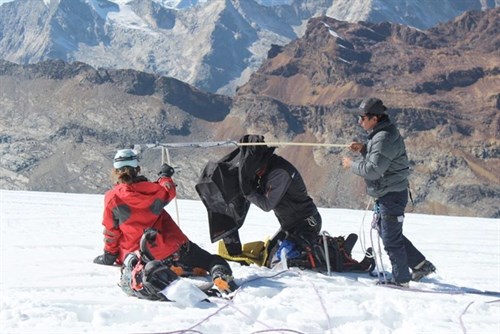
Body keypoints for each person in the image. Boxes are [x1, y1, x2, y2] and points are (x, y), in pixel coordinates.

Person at [93, 148, 237, 300]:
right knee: (213, 261)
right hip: (175, 249)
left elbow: (111, 232)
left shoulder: (113, 198)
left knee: (146, 268)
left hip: (141, 256)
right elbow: (168, 190)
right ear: (138, 169)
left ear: (116, 172)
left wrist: (109, 255)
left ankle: (165, 274)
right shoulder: (155, 190)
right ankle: (219, 275)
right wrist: (164, 176)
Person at [342, 97, 436, 287]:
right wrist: (364, 149)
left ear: (374, 118)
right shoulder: (381, 135)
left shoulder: (383, 137)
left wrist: (351, 164)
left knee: (391, 238)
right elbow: (381, 157)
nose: (359, 122)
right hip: (389, 192)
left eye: (362, 118)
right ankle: (419, 265)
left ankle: (400, 279)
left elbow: (373, 169)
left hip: (390, 195)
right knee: (387, 232)